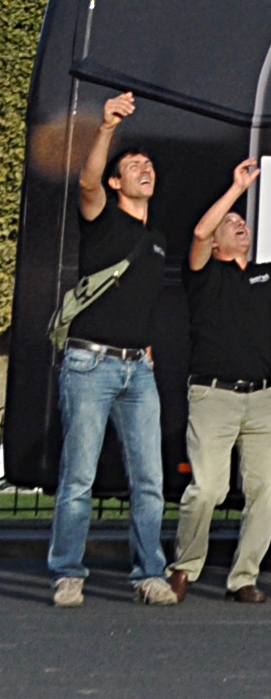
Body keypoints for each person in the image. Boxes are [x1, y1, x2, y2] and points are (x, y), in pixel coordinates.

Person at [47, 90, 180, 607]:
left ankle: (149, 574)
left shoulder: (158, 238)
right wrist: (106, 128)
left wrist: (144, 348)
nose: (144, 169)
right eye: (134, 164)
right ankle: (67, 573)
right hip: (89, 362)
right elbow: (84, 182)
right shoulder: (101, 217)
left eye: (148, 164)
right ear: (115, 182)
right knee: (79, 475)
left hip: (136, 371)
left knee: (150, 479)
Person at [173, 159, 271, 603]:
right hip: (214, 395)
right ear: (215, 243)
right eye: (230, 224)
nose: (240, 226)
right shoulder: (203, 274)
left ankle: (243, 577)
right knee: (208, 488)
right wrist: (235, 190)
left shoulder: (262, 276)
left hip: (261, 399)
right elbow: (197, 234)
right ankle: (185, 566)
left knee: (265, 492)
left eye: (243, 222)